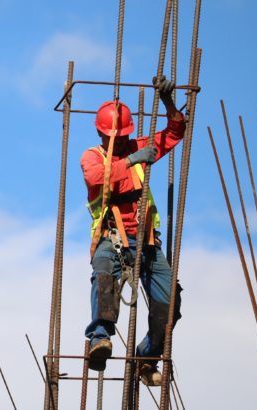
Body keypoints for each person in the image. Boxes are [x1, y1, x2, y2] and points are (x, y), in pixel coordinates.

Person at [79, 76, 184, 386]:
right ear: (101, 133)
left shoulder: (138, 147)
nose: (121, 141)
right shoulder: (92, 157)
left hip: (147, 242)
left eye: (124, 137)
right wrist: (131, 159)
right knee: (103, 272)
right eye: (116, 138)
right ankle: (100, 337)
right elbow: (97, 177)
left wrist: (168, 103)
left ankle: (146, 357)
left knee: (169, 309)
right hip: (112, 237)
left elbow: (175, 132)